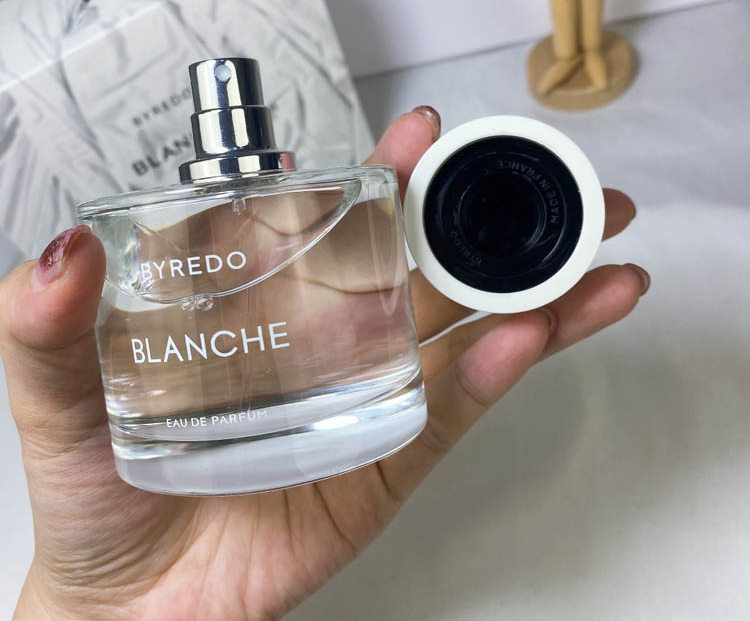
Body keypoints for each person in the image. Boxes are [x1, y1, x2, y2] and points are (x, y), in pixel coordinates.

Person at [0, 107, 648, 619]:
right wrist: (95, 607)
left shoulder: (363, 193)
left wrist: (97, 609)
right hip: (189, 466)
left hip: (363, 423)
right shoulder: (122, 227)